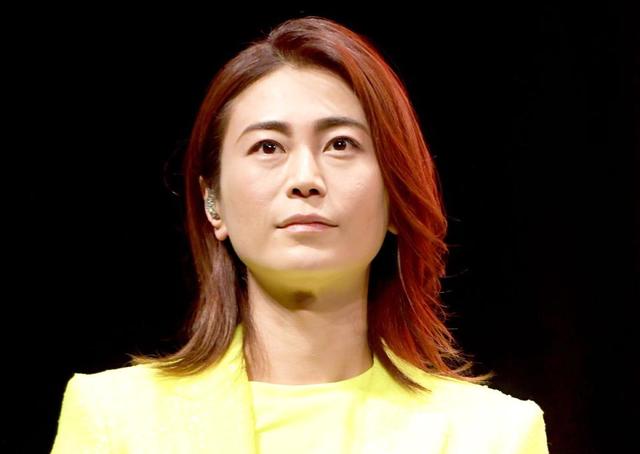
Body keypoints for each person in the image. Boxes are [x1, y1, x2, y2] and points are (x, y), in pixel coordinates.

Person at [51, 15, 549, 453]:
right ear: (213, 202)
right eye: (268, 147)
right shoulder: (114, 420)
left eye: (340, 144)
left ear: (396, 198)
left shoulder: (493, 436)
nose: (305, 178)